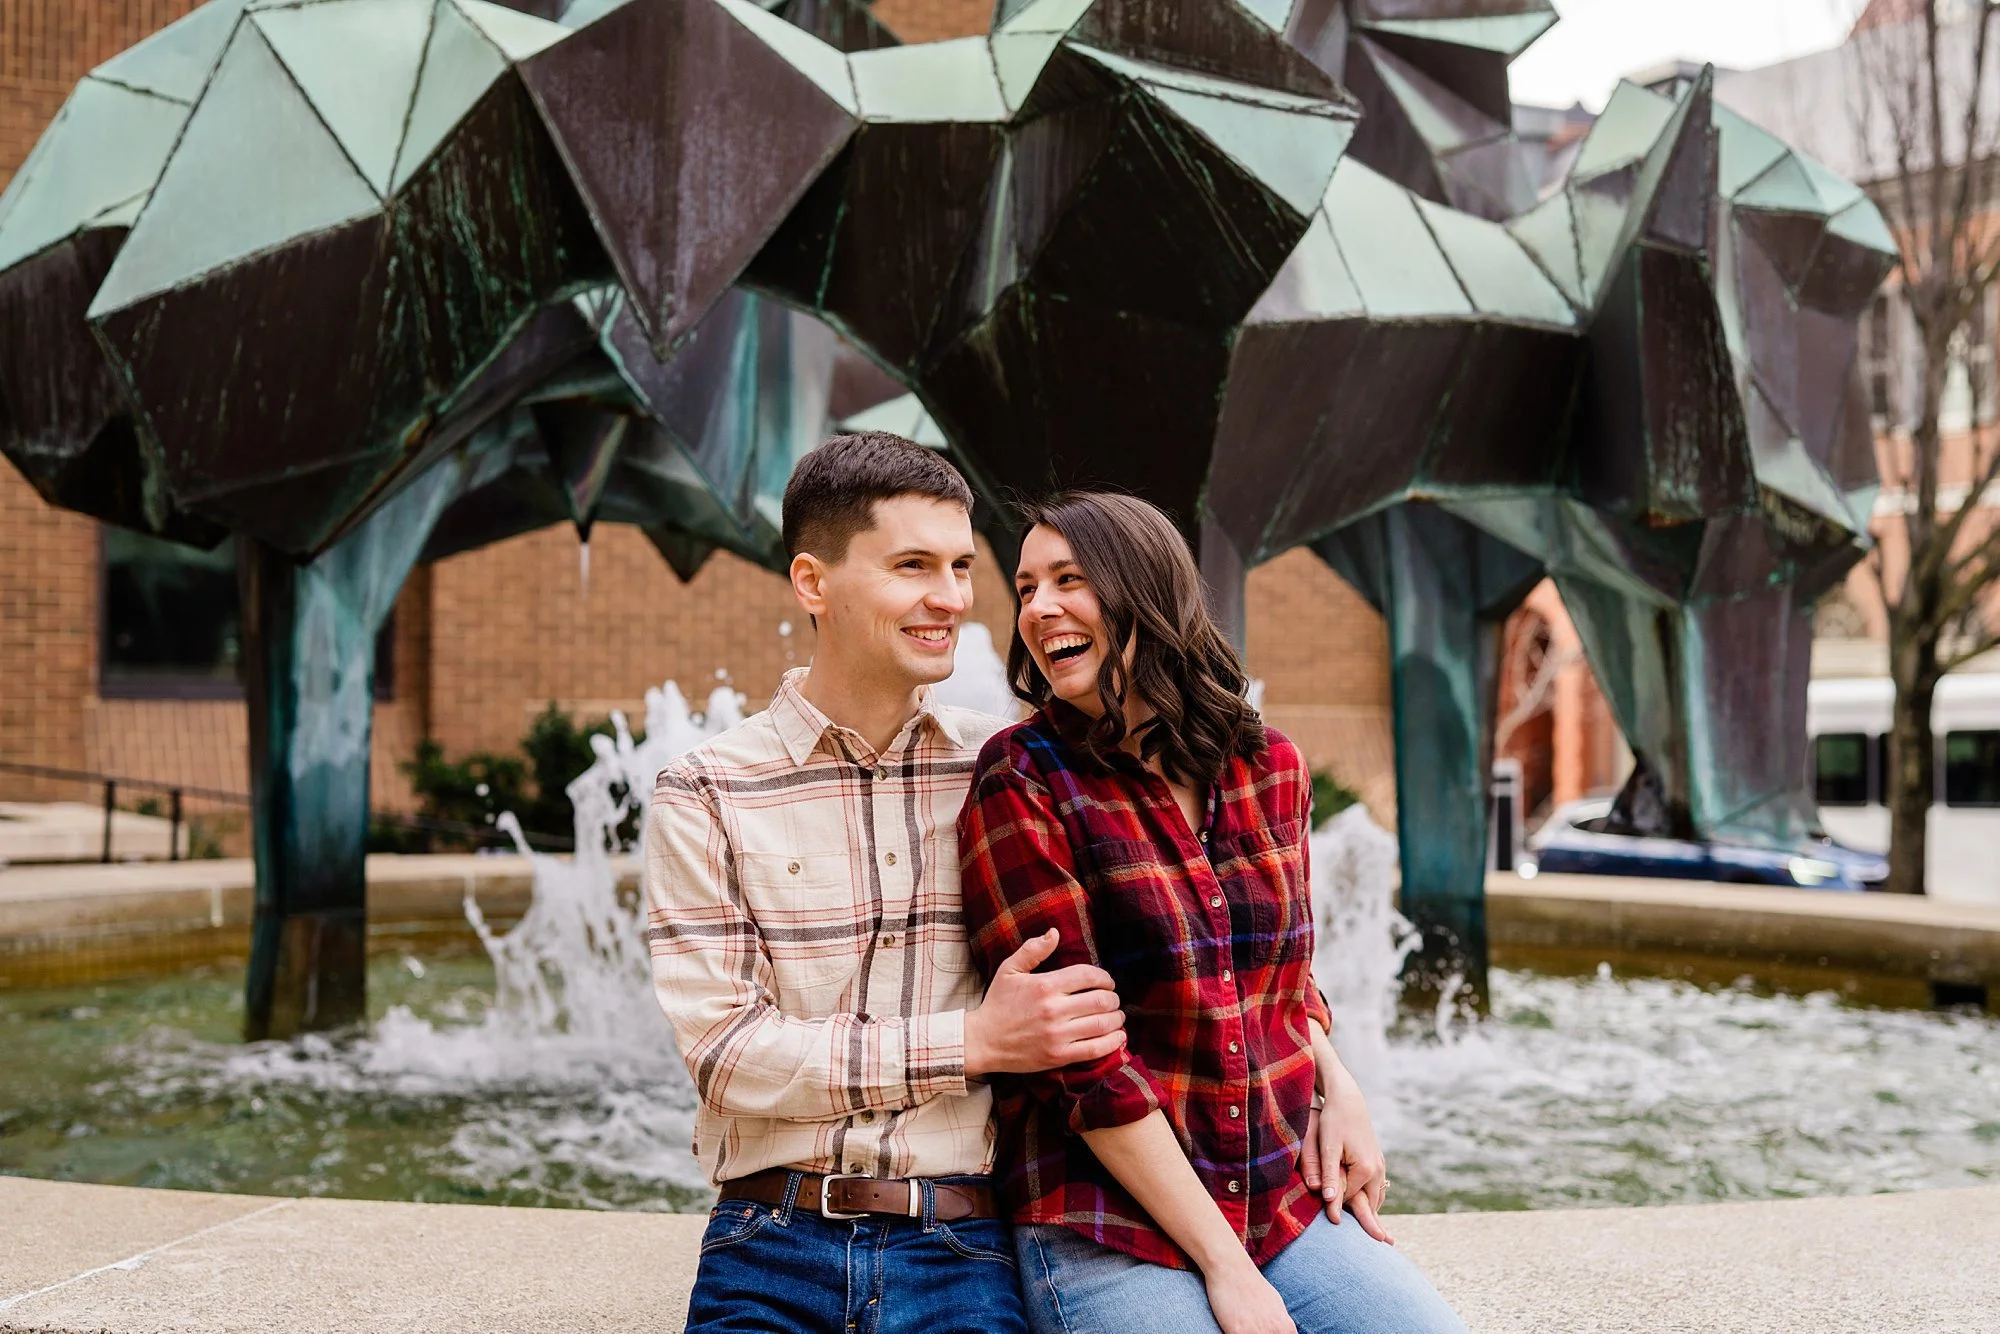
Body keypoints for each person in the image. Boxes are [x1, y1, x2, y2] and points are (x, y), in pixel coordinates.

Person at [644, 434, 1128, 1334]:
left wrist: (1324, 1057)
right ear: (813, 582)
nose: (949, 597)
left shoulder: (1011, 766)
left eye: (957, 565)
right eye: (912, 566)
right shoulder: (705, 789)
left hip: (960, 1246)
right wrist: (974, 1041)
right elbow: (726, 1055)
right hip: (766, 1236)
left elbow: (1177, 913)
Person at [958, 491, 1467, 1334]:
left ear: (1143, 590)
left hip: (1274, 1199)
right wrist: (1226, 1270)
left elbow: (1279, 979)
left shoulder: (1268, 765)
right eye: (1026, 588)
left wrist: (1338, 1089)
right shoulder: (1022, 779)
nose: (1039, 608)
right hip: (1106, 1220)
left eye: (1068, 580)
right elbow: (1080, 1061)